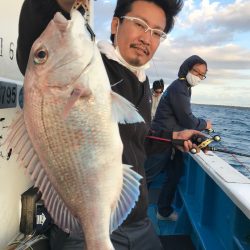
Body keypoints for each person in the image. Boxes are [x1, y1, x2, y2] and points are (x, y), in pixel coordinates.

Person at [16, 1, 203, 249]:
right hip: (84, 227)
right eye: (139, 24)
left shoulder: (142, 82)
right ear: (116, 24)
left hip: (138, 219)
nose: (147, 38)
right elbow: (38, 32)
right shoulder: (98, 67)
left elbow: (138, 139)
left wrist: (174, 137)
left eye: (157, 32)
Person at [145, 55, 212, 221]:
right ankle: (130, 215)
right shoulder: (178, 87)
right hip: (162, 139)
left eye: (201, 75)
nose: (197, 76)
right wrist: (205, 124)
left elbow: (182, 119)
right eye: (195, 71)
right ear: (186, 68)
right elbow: (187, 119)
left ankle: (163, 211)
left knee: (175, 173)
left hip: (174, 140)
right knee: (147, 176)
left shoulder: (185, 88)